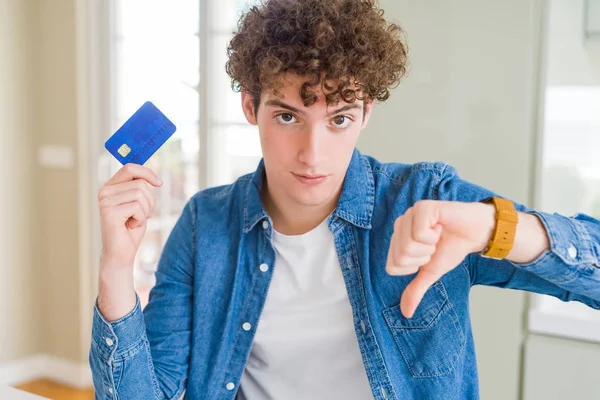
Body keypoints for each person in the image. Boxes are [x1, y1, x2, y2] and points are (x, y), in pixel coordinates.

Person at [89, 0, 600, 399]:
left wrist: (497, 230)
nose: (314, 155)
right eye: (288, 116)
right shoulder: (205, 224)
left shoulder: (426, 198)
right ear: (250, 105)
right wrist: (116, 268)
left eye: (339, 119)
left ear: (367, 112)